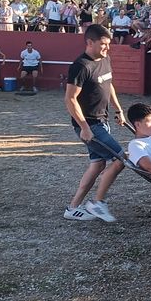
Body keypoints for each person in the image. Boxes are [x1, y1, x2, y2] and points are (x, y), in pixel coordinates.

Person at [63, 24, 128, 222]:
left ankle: (73, 208)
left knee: (98, 164)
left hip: (103, 120)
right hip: (90, 125)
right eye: (103, 44)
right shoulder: (81, 66)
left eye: (108, 44)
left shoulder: (105, 59)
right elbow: (70, 99)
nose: (107, 48)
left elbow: (109, 85)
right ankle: (97, 203)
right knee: (121, 158)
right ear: (89, 42)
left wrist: (118, 110)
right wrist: (84, 128)